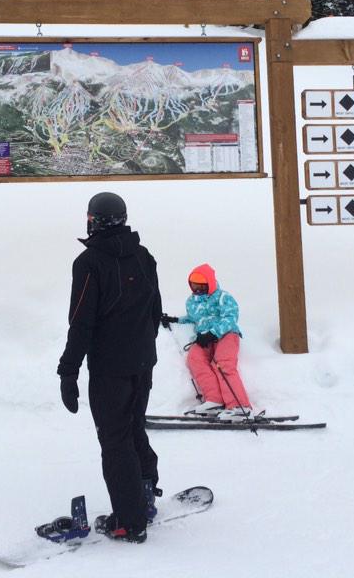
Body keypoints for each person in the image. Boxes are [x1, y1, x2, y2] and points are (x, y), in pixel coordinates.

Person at [57, 192, 163, 544]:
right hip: (142, 363)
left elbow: (82, 322)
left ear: (94, 221)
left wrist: (68, 371)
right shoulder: (144, 256)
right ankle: (145, 494)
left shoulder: (89, 263)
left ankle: (130, 522)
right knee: (133, 429)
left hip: (111, 369)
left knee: (115, 441)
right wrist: (144, 351)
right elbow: (154, 311)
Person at [165, 263, 255, 421]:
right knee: (195, 359)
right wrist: (175, 319)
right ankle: (214, 401)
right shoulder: (192, 302)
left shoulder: (222, 297)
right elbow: (193, 318)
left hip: (226, 334)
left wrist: (213, 333)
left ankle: (239, 407)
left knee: (222, 363)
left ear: (210, 283)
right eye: (194, 286)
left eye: (201, 286)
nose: (197, 290)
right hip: (204, 337)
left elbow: (231, 317)